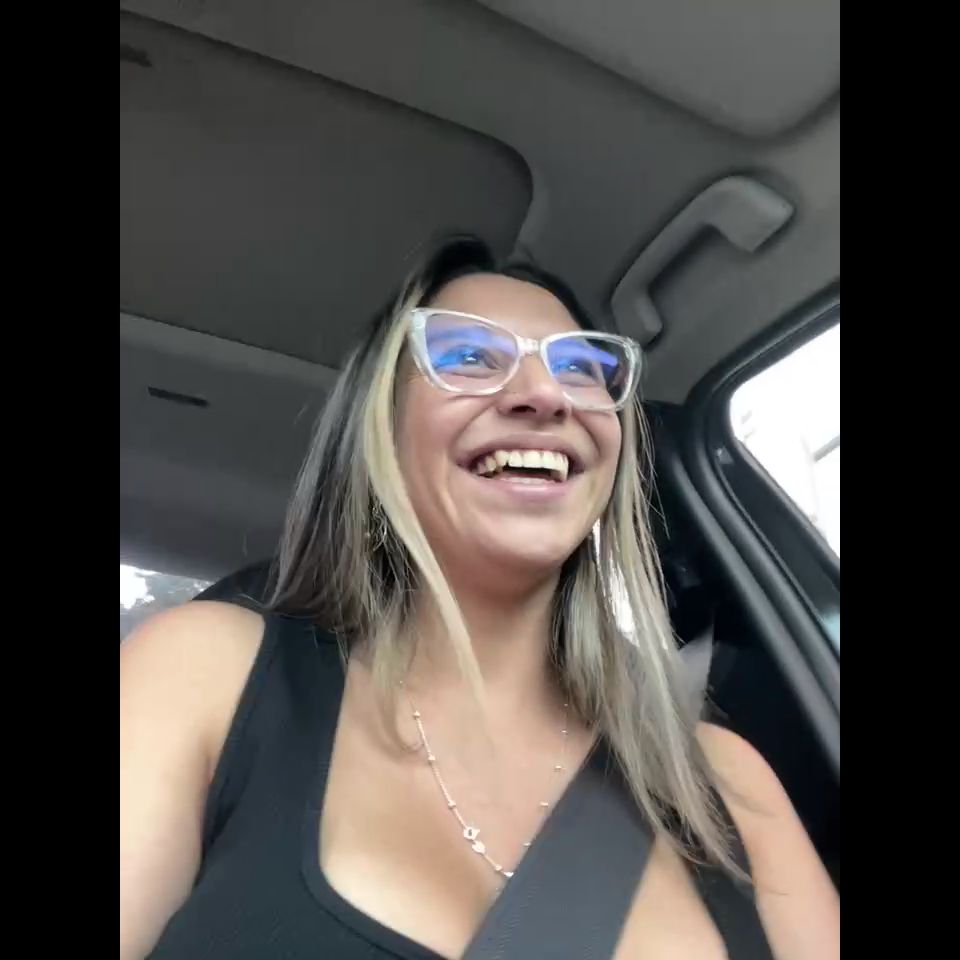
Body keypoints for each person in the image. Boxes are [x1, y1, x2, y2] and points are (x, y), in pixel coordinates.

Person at [120, 236, 840, 959]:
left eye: (580, 368)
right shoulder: (203, 675)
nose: (545, 394)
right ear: (380, 432)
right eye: (468, 355)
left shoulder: (723, 781)